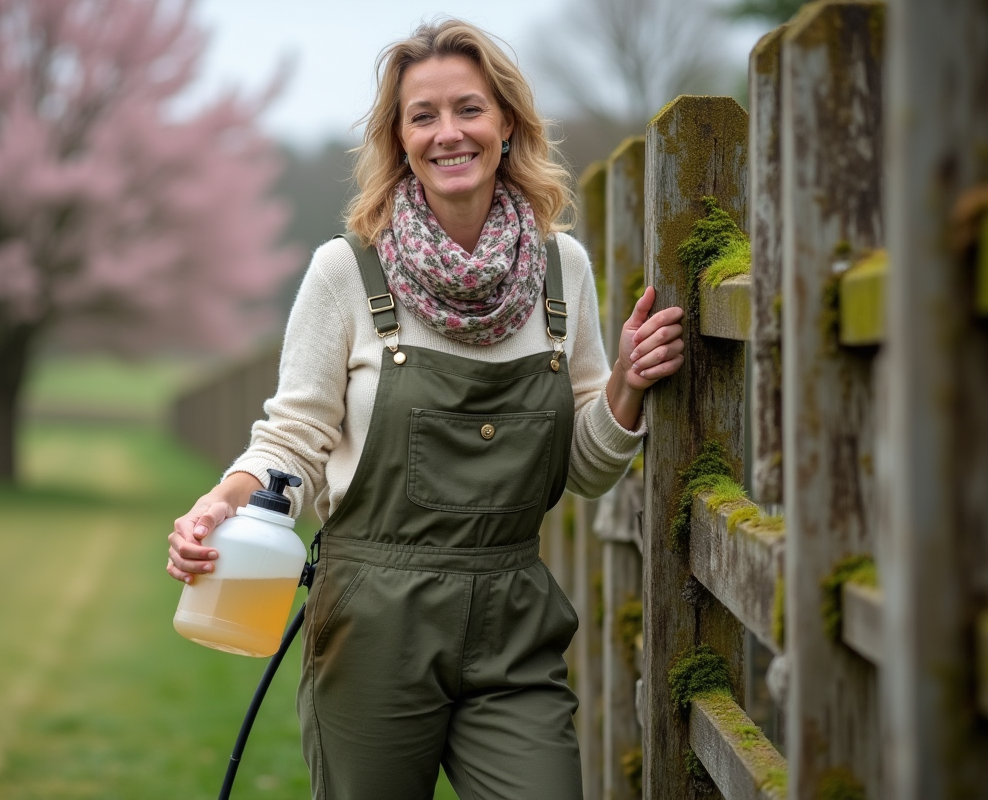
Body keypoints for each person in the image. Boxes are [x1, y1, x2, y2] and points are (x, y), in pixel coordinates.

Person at [167, 18, 684, 800]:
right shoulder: (347, 271)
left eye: (469, 109)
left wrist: (626, 386)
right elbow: (294, 440)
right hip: (374, 623)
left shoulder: (562, 270)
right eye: (424, 116)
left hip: (514, 619)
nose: (449, 132)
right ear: (399, 139)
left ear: (506, 124)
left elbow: (584, 469)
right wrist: (222, 500)